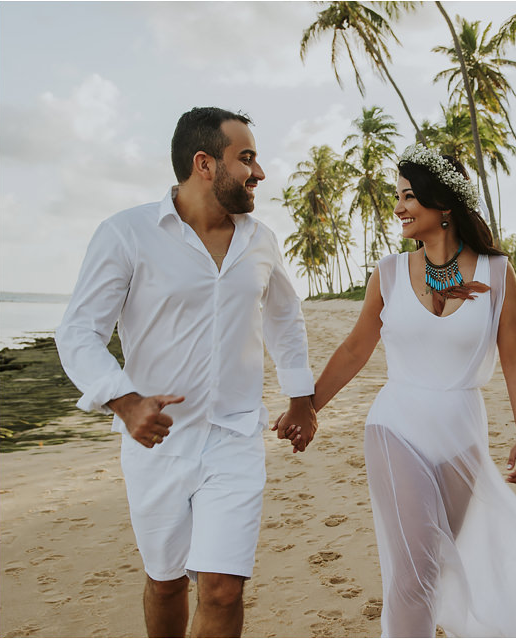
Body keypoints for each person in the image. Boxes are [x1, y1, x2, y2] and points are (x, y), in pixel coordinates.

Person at [56, 107, 318, 637]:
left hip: (236, 436)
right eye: (246, 159)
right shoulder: (127, 234)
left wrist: (300, 397)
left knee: (223, 590)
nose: (259, 173)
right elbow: (79, 332)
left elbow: (285, 319)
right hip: (158, 442)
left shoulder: (260, 240)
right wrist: (124, 401)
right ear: (204, 163)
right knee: (167, 581)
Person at [294, 144, 516, 636]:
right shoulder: (389, 273)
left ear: (444, 205)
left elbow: (514, 357)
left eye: (409, 196)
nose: (398, 207)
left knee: (435, 565)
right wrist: (307, 406)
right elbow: (357, 348)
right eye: (397, 196)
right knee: (415, 568)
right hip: (396, 426)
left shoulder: (498, 273)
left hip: (462, 433)